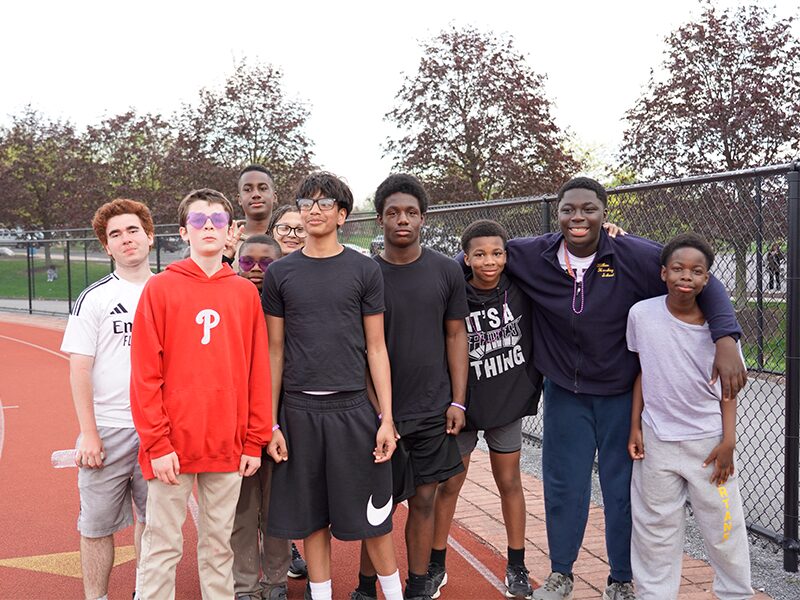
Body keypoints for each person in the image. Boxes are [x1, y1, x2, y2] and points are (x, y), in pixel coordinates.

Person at [495, 177, 746, 600]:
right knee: (563, 485)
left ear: (604, 213)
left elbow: (701, 276)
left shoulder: (632, 254)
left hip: (619, 394)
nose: (578, 217)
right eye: (569, 209)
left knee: (622, 490)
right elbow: (476, 256)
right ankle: (561, 573)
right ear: (557, 214)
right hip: (565, 394)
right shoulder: (531, 254)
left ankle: (622, 579)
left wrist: (725, 335)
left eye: (589, 209)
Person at [263, 172, 403, 600]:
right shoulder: (280, 274)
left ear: (343, 214)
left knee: (372, 519)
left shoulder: (364, 270)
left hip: (354, 412)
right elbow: (275, 351)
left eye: (325, 204)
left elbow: (376, 349)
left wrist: (386, 419)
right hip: (299, 414)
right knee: (312, 521)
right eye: (307, 203)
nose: (314, 210)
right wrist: (271, 424)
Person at [130, 188, 272, 599]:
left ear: (231, 232)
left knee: (217, 548)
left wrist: (253, 439)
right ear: (182, 231)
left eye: (217, 220)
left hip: (227, 444)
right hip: (171, 445)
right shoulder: (160, 289)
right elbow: (144, 375)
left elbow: (257, 373)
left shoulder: (244, 293)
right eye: (198, 220)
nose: (207, 226)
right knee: (161, 547)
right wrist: (157, 443)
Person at [351, 173, 468, 600]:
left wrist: (458, 399)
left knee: (423, 501)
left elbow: (457, 336)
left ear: (423, 218)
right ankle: (367, 588)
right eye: (393, 212)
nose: (403, 219)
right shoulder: (365, 273)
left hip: (433, 409)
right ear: (380, 218)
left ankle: (418, 585)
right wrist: (377, 410)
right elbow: (361, 348)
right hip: (378, 414)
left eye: (411, 212)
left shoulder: (445, 270)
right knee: (376, 507)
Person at [627, 233, 752, 599]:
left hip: (709, 444)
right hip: (657, 440)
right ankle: (655, 594)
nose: (687, 276)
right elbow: (642, 372)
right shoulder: (642, 314)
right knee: (654, 528)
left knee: (725, 528)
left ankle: (735, 593)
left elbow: (729, 390)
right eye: (678, 268)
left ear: (707, 280)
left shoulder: (722, 334)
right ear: (663, 273)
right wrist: (635, 424)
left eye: (697, 271)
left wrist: (728, 441)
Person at [430, 219, 541, 600]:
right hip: (462, 405)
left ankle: (516, 564)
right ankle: (436, 563)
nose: (489, 261)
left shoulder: (521, 288)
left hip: (507, 402)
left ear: (507, 257)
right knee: (450, 485)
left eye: (497, 253)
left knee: (509, 482)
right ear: (466, 258)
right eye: (479, 254)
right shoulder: (453, 291)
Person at [60, 198, 155, 600]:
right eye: (115, 234)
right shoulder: (94, 298)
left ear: (149, 236)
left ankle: (144, 592)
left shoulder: (171, 290)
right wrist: (89, 434)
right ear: (106, 246)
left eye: (132, 230)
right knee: (96, 527)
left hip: (159, 431)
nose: (125, 239)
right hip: (110, 428)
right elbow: (79, 369)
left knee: (155, 524)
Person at [231, 232, 292, 600]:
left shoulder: (288, 303)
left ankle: (275, 582)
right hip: (236, 427)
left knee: (276, 511)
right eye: (248, 262)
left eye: (266, 263)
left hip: (282, 423)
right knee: (241, 511)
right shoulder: (228, 303)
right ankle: (245, 586)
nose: (256, 270)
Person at [223, 164, 278, 265]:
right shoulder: (224, 240)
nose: (256, 194)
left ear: (274, 196)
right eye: (248, 189)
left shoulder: (288, 237)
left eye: (263, 188)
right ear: (239, 199)